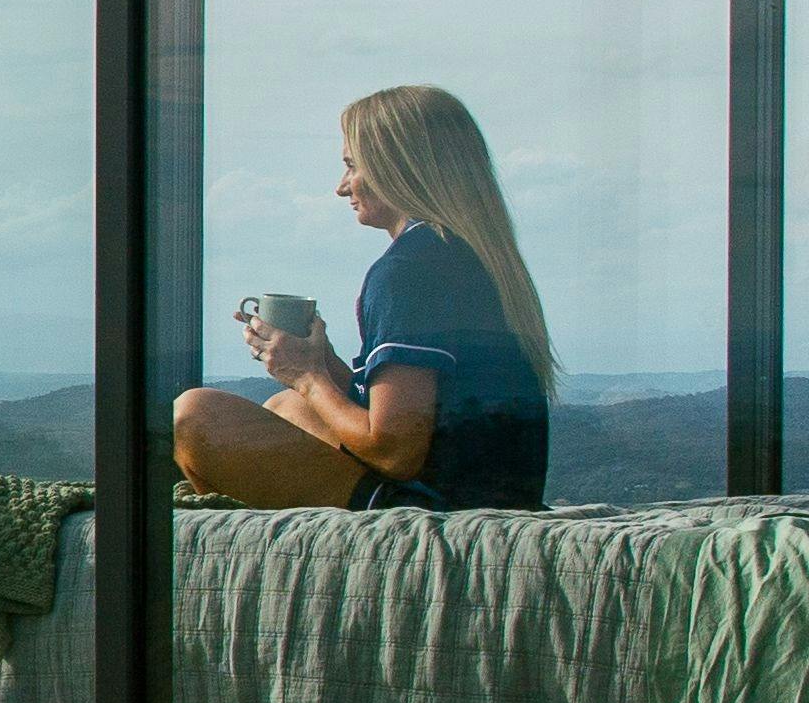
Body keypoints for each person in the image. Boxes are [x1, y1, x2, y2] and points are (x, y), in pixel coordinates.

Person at [172, 84, 557, 511]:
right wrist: (322, 365)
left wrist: (307, 376)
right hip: (489, 494)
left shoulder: (407, 271)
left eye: (352, 166)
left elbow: (394, 451)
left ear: (398, 167)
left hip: (435, 508)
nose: (341, 187)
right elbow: (426, 420)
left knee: (194, 416)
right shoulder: (465, 255)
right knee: (286, 407)